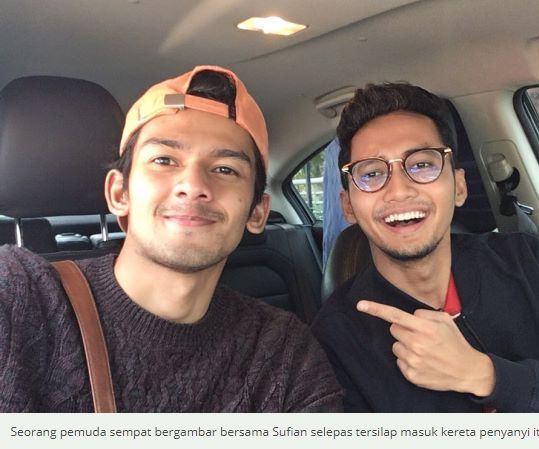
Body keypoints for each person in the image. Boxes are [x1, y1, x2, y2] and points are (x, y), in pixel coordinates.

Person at [0, 65, 342, 412]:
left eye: (225, 169)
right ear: (119, 192)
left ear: (257, 212)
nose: (193, 185)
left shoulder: (284, 352)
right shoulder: (19, 295)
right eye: (164, 160)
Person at [311, 82, 539, 412]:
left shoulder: (525, 264)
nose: (399, 191)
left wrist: (488, 376)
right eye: (371, 173)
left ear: (459, 187)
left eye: (422, 165)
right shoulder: (334, 339)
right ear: (348, 206)